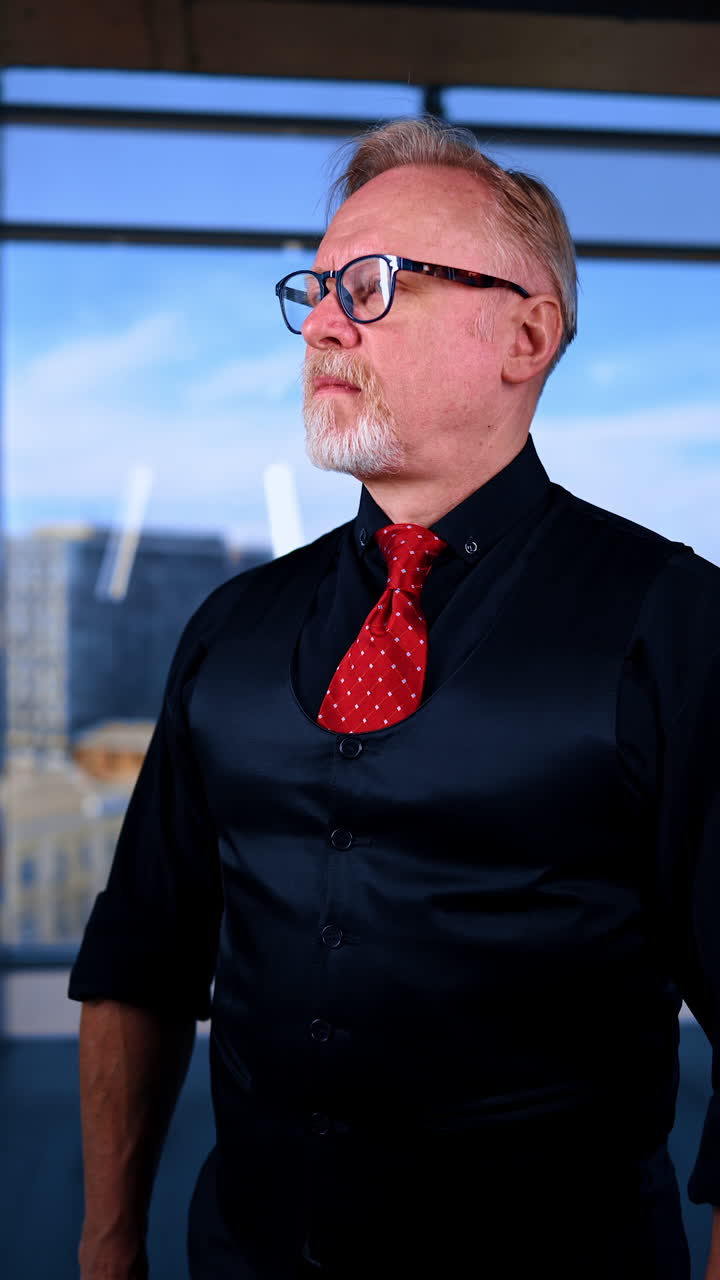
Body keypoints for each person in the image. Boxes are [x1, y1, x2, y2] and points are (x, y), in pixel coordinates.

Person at [69, 117, 720, 1280]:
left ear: (525, 332)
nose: (321, 321)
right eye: (316, 287)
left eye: (370, 285)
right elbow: (142, 957)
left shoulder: (672, 620)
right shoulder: (233, 625)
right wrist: (108, 1243)